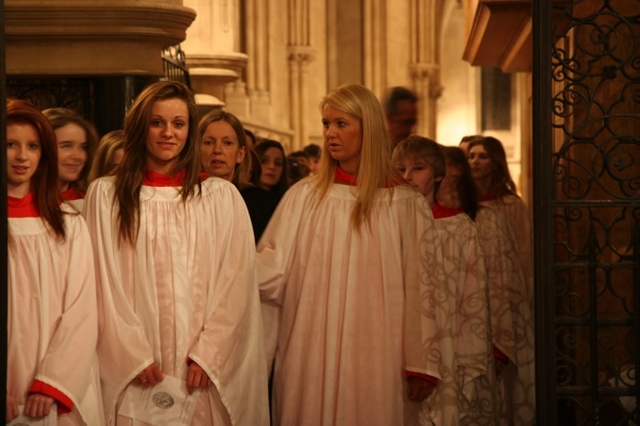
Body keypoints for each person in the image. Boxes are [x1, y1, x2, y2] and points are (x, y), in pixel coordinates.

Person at [257, 84, 450, 425]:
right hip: (310, 349)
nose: (330, 133)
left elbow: (423, 287)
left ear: (369, 128)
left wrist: (421, 363)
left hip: (378, 352)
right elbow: (268, 273)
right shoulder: (304, 197)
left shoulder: (403, 204)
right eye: (326, 124)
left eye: (341, 124)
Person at [83, 81, 269, 425]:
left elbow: (236, 284)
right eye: (157, 123)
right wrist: (132, 355)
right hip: (137, 366)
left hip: (198, 364)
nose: (168, 133)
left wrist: (210, 354)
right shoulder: (105, 196)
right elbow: (100, 284)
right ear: (141, 126)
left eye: (179, 124)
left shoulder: (220, 198)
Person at [6, 99, 104, 425]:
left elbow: (81, 309)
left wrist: (52, 382)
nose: (22, 156)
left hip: (56, 387)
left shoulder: (67, 223)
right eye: (10, 144)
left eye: (32, 146)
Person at [393, 137, 494, 425]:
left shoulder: (459, 227)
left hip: (447, 343)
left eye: (418, 169)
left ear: (438, 174)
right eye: (400, 169)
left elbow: (471, 296)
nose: (407, 178)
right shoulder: (385, 224)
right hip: (396, 346)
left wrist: (467, 356)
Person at [467, 136, 533, 306]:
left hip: (503, 278)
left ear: (495, 162)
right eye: (471, 156)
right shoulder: (465, 203)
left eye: (483, 156)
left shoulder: (511, 204)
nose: (475, 162)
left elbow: (523, 249)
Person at [198, 109, 278, 242]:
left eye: (227, 143)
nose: (217, 150)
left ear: (240, 154)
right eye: (209, 143)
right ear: (197, 150)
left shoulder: (261, 203)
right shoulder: (185, 199)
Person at [42, 107, 99, 210]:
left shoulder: (92, 201)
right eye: (66, 146)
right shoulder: (18, 203)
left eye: (83, 147)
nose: (78, 156)